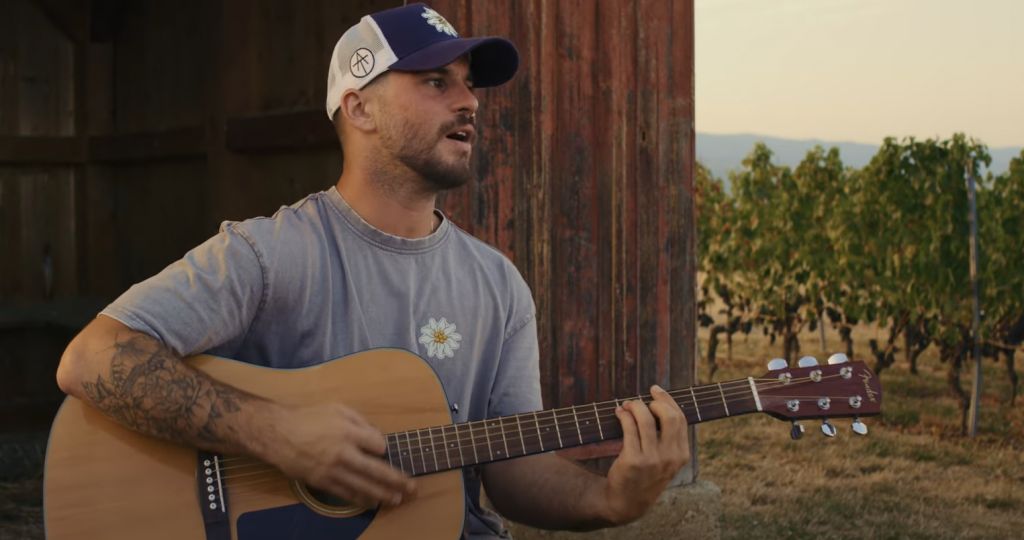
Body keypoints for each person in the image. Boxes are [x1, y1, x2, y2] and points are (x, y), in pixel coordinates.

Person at [55, 3, 689, 538]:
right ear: (359, 109)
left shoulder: (498, 285)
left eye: (468, 83)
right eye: (436, 82)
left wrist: (612, 500)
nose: (470, 101)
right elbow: (89, 358)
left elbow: (513, 472)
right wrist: (275, 433)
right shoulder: (268, 254)